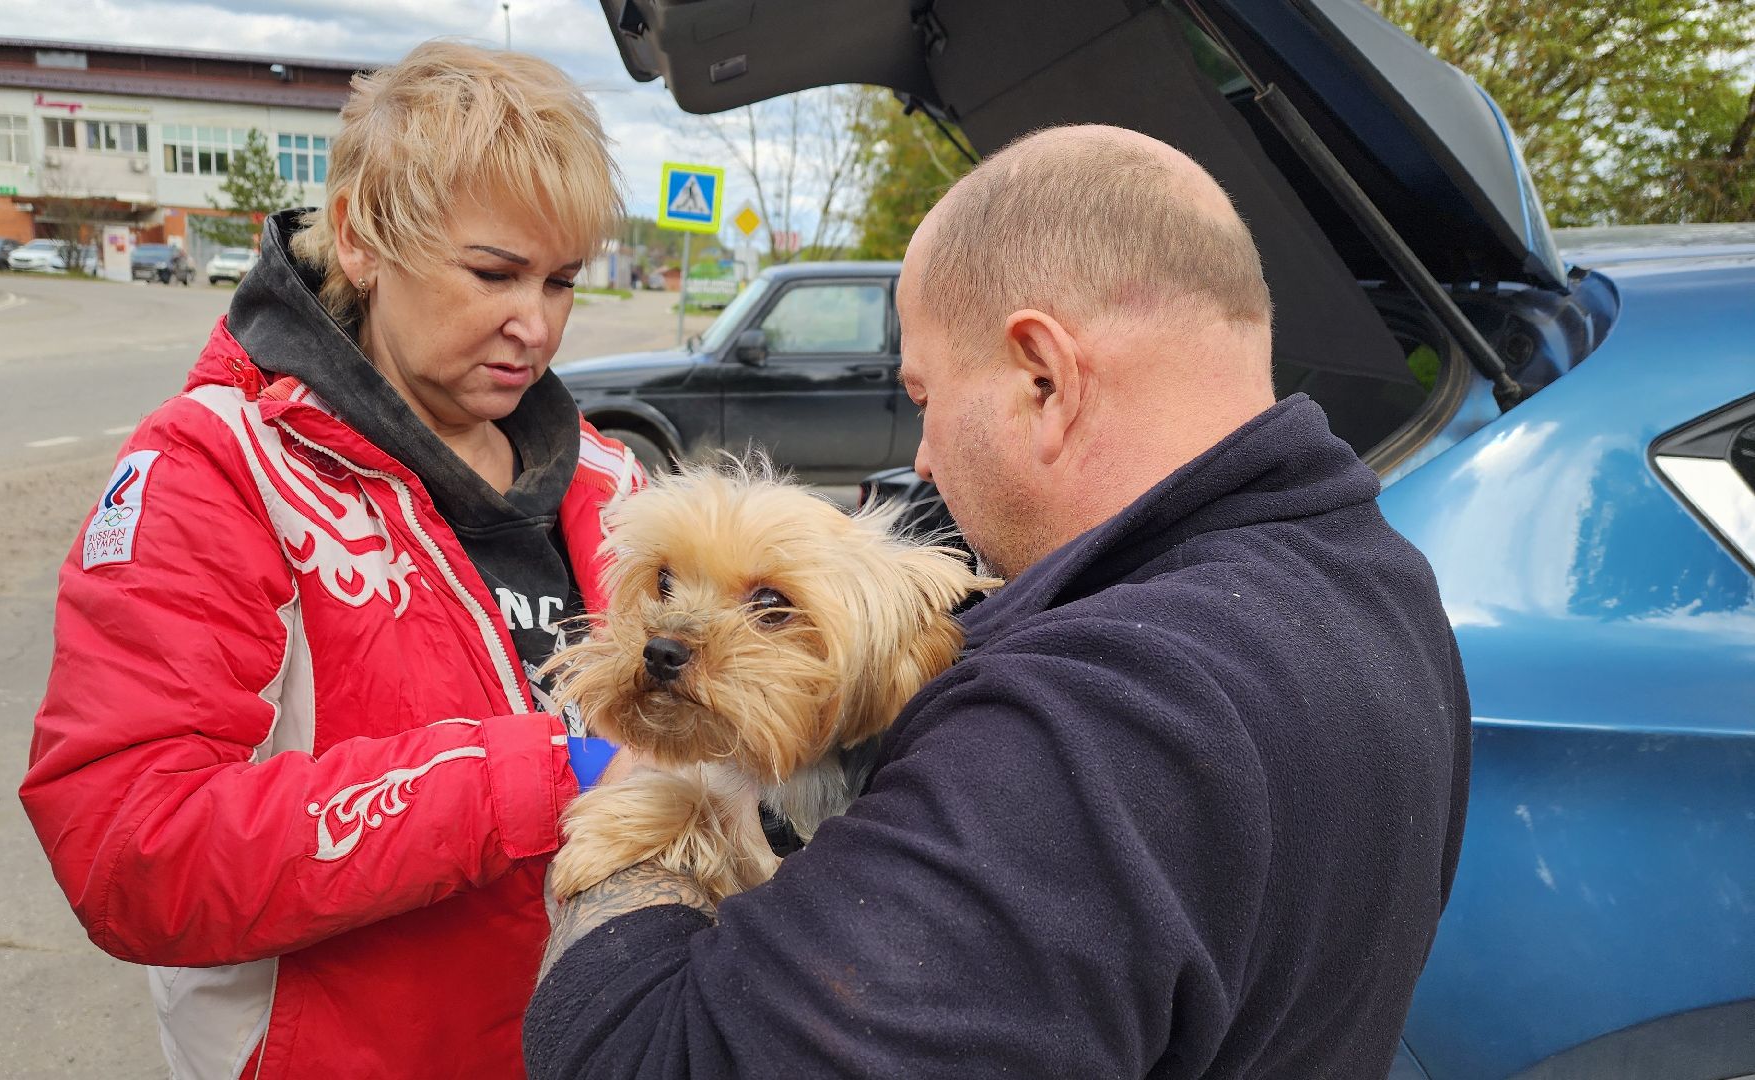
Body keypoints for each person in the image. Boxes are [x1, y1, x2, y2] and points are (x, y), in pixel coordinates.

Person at [524, 126, 1471, 1079]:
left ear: (1042, 377)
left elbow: (636, 1058)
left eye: (924, 395)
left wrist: (647, 800)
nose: (924, 457)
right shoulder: (1383, 590)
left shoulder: (1088, 724)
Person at [20, 41, 641, 1080]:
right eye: (492, 272)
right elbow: (131, 847)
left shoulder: (610, 485)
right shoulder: (220, 466)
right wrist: (540, 776)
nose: (534, 325)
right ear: (360, 239)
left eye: (562, 281)